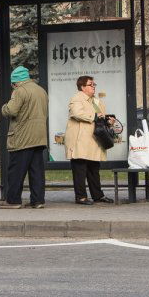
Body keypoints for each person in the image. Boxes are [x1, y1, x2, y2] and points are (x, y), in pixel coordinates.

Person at [0, 65, 49, 209]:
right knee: (36, 171)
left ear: (16, 82)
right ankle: (38, 200)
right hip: (39, 137)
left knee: (16, 170)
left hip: (22, 137)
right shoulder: (41, 90)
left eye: (13, 84)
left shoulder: (19, 91)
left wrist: (4, 108)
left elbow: (11, 110)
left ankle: (13, 200)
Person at [65, 75, 113, 205]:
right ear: (82, 87)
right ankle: (81, 197)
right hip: (80, 140)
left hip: (93, 140)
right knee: (80, 170)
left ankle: (98, 195)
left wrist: (108, 121)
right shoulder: (77, 98)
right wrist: (95, 116)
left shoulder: (96, 101)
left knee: (93, 169)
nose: (93, 87)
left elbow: (100, 117)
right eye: (90, 85)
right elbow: (76, 113)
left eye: (94, 84)